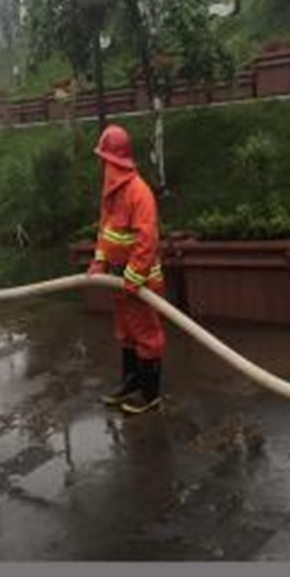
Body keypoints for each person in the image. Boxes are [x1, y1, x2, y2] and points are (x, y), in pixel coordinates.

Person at [86, 124, 166, 415]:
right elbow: (105, 232)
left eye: (104, 160)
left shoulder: (138, 193)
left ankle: (150, 394)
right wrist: (99, 261)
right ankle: (131, 384)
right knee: (127, 333)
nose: (102, 167)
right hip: (118, 280)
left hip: (140, 283)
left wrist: (132, 278)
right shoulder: (111, 195)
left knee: (146, 336)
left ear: (112, 161)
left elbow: (146, 241)